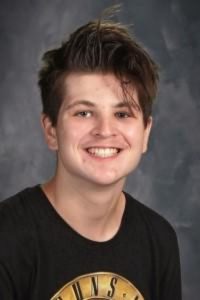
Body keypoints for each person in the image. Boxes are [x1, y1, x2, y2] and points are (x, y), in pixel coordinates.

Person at [0, 12, 182, 300]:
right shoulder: (7, 237)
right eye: (84, 113)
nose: (105, 130)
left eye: (122, 114)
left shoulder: (158, 240)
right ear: (51, 130)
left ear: (145, 133)